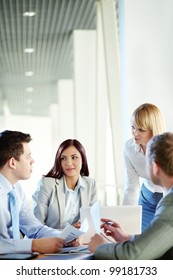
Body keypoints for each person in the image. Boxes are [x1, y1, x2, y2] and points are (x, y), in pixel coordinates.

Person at [88, 132, 173, 259]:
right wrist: (128, 239)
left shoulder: (170, 205)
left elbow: (132, 256)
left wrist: (101, 246)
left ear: (155, 167)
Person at [0, 130, 78, 255]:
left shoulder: (16, 190)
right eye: (28, 156)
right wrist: (34, 245)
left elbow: (35, 229)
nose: (33, 161)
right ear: (13, 162)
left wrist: (63, 237)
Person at [32, 139, 97, 230]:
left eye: (74, 157)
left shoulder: (90, 184)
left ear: (83, 160)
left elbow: (92, 222)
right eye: (63, 158)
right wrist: (66, 232)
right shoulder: (47, 184)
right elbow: (36, 227)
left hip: (78, 242)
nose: (68, 163)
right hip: (49, 241)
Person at [122, 103, 166, 231]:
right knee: (135, 237)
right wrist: (124, 220)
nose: (134, 133)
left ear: (153, 130)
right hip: (146, 199)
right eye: (133, 127)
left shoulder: (168, 149)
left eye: (141, 130)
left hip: (167, 199)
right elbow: (131, 186)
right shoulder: (128, 148)